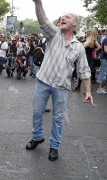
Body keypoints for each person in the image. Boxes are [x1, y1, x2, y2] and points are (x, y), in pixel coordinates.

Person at [26, 0, 94, 161]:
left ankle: (54, 146)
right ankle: (37, 137)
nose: (63, 18)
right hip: (43, 82)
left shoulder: (79, 47)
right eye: (62, 17)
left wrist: (89, 91)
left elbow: (84, 70)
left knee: (57, 118)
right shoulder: (54, 33)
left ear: (75, 24)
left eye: (67, 17)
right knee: (37, 112)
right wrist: (38, 3)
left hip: (62, 88)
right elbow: (43, 20)